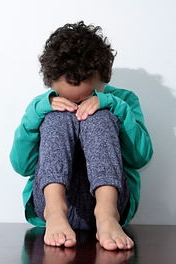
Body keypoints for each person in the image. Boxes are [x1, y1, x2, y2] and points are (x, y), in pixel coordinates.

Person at [9, 21, 153, 251]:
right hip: (53, 205)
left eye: (86, 97)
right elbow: (21, 165)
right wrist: (37, 112)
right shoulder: (44, 106)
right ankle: (54, 211)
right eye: (70, 98)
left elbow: (140, 158)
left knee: (100, 117)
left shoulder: (123, 101)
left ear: (104, 78)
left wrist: (113, 106)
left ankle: (107, 215)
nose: (77, 105)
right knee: (57, 117)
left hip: (108, 206)